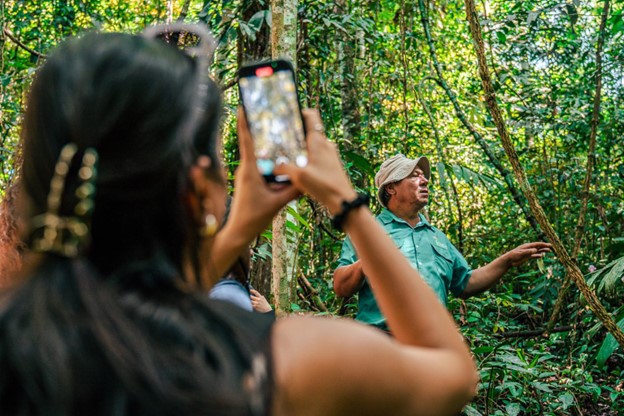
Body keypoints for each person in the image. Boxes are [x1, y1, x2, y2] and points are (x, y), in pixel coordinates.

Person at [0, 25, 477, 416]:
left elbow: (130, 300)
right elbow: (453, 375)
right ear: (203, 189)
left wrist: (241, 225)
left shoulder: (22, 341)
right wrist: (348, 205)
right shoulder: (289, 360)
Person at [333, 154, 553, 331]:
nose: (425, 180)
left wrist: (507, 260)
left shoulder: (436, 236)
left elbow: (465, 284)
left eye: (424, 176)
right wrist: (367, 261)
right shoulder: (366, 232)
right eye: (415, 176)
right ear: (391, 188)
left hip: (433, 347)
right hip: (381, 346)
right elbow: (341, 286)